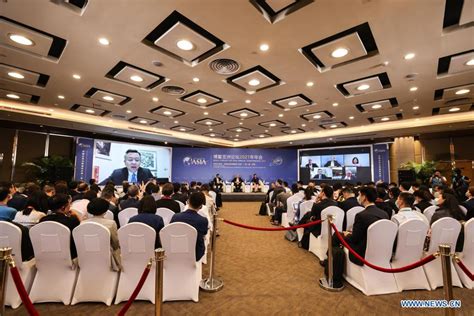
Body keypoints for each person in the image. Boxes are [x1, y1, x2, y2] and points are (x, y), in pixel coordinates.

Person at [334, 187, 389, 266]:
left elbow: (354, 239)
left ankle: (333, 266)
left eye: (360, 195)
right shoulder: (384, 214)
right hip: (380, 249)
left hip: (362, 251)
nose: (358, 197)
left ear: (364, 198)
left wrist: (347, 234)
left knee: (336, 235)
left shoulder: (361, 215)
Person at [83, 198, 121, 270]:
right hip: (106, 256)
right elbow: (115, 243)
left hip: (87, 255)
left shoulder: (82, 223)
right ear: (105, 210)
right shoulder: (111, 224)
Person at [170, 192, 208, 261]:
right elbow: (204, 235)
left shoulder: (175, 217)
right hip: (195, 254)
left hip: (176, 251)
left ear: (188, 202)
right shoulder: (203, 220)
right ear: (201, 206)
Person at [40, 194, 80, 258]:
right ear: (63, 207)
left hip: (47, 257)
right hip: (69, 257)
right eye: (69, 204)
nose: (70, 206)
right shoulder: (71, 221)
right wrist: (76, 216)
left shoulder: (42, 220)